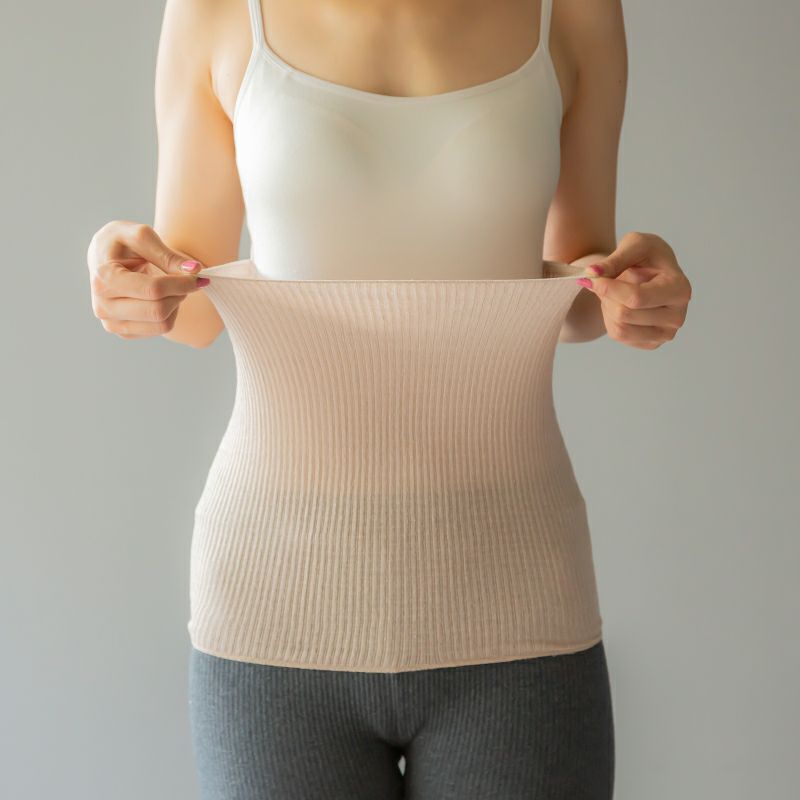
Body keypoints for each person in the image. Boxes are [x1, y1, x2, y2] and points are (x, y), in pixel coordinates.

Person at [86, 1, 692, 797]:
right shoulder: (216, 10)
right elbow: (191, 303)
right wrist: (117, 269)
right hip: (277, 598)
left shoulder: (575, 11)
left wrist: (632, 286)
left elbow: (577, 287)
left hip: (515, 589)